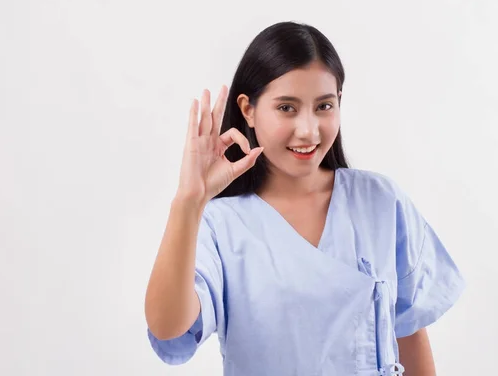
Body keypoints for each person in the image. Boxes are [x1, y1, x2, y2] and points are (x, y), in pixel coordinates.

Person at [144, 21, 464, 376]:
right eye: (287, 108)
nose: (309, 130)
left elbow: (409, 329)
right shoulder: (220, 224)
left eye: (324, 106)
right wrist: (189, 201)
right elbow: (168, 327)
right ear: (248, 109)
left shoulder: (381, 202)